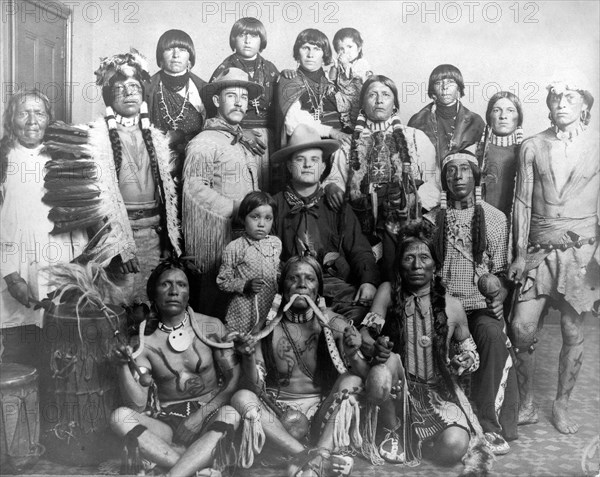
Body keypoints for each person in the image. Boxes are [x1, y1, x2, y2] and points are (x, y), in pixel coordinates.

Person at [359, 221, 493, 474]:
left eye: (424, 257)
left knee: (454, 448)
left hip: (437, 395)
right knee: (384, 367)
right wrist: (376, 346)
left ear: (436, 264)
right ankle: (393, 431)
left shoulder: (452, 305)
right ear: (400, 263)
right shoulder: (388, 292)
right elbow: (366, 332)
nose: (417, 265)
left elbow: (471, 354)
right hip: (398, 388)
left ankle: (420, 441)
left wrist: (463, 360)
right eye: (409, 258)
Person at [508, 77, 598, 435]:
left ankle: (561, 404)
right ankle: (526, 402)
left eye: (570, 97)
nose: (562, 103)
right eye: (556, 97)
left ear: (584, 106)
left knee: (572, 329)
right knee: (521, 327)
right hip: (539, 250)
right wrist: (518, 254)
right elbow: (522, 202)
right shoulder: (532, 145)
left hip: (582, 251)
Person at [229, 255, 367, 476]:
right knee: (241, 397)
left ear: (318, 290)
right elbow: (255, 387)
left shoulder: (336, 325)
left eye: (309, 279)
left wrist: (354, 355)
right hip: (277, 416)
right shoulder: (265, 328)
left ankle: (320, 450)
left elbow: (365, 378)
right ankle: (313, 457)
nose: (302, 284)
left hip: (322, 414)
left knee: (353, 381)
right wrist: (246, 358)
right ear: (283, 288)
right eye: (294, 278)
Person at [110, 258, 241, 477]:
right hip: (167, 423)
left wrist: (199, 416)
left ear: (189, 293)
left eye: (181, 284)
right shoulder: (143, 340)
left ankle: (173, 473)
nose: (173, 291)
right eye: (165, 284)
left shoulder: (211, 326)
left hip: (209, 414)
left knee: (231, 414)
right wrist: (124, 366)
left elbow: (233, 379)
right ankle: (193, 464)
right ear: (154, 293)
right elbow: (139, 405)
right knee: (119, 417)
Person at [426, 150, 518, 454]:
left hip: (478, 307)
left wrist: (500, 293)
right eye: (451, 171)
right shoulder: (431, 219)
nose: (458, 177)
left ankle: (489, 425)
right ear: (444, 179)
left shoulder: (494, 218)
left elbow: (501, 273)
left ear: (475, 176)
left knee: (492, 335)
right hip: (441, 306)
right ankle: (432, 421)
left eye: (465, 170)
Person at [323, 75, 440, 281]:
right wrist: (331, 187)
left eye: (386, 95)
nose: (379, 100)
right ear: (362, 104)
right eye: (372, 94)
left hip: (406, 226)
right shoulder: (349, 143)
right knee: (365, 281)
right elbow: (335, 179)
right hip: (361, 229)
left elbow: (435, 183)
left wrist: (412, 200)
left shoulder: (415, 137)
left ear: (394, 104)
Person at [0, 90, 86, 365]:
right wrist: (11, 277)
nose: (31, 120)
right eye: (23, 113)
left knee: (60, 350)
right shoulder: (3, 158)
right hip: (15, 269)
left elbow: (78, 218)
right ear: (11, 119)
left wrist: (79, 269)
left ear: (49, 119)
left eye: (39, 113)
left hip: (58, 266)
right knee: (19, 352)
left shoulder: (63, 157)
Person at [91, 50, 181, 306]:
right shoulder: (96, 140)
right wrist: (116, 245)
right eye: (121, 87)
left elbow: (168, 197)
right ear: (109, 94)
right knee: (117, 305)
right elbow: (95, 202)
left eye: (134, 86)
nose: (129, 93)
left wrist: (166, 240)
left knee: (150, 305)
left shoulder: (157, 139)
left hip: (153, 233)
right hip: (118, 235)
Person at [270, 124, 380, 324]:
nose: (307, 165)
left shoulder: (336, 205)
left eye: (314, 160)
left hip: (334, 287)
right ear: (288, 166)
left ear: (322, 167)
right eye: (300, 160)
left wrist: (368, 281)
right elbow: (267, 257)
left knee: (358, 319)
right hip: (291, 287)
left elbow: (359, 248)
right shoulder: (274, 206)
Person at [183, 67, 263, 317]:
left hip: (245, 240)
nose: (239, 102)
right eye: (232, 96)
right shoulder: (204, 142)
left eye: (244, 97)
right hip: (217, 240)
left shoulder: (244, 142)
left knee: (243, 308)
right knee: (215, 307)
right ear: (217, 101)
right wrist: (238, 209)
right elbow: (194, 190)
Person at [275, 28, 350, 192]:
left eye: (317, 49)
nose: (310, 54)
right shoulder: (289, 81)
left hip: (339, 149)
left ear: (324, 54)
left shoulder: (333, 81)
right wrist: (331, 131)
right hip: (307, 150)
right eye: (305, 48)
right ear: (297, 53)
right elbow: (292, 121)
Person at [209, 17, 280, 191]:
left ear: (261, 40)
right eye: (242, 35)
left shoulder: (270, 68)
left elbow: (281, 108)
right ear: (234, 39)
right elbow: (213, 112)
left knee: (270, 188)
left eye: (254, 36)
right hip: (237, 135)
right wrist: (239, 131)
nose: (248, 41)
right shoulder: (223, 69)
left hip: (269, 139)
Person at [216, 191, 282, 334]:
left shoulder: (275, 244)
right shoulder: (235, 247)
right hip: (243, 310)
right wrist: (245, 285)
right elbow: (222, 281)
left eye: (268, 218)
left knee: (266, 341)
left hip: (270, 306)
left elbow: (276, 270)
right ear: (243, 218)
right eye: (255, 217)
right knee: (241, 343)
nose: (261, 224)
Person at [146, 29, 207, 182]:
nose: (176, 55)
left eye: (182, 49)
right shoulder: (146, 89)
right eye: (169, 49)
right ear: (160, 58)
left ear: (190, 59)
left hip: (195, 162)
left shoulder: (204, 90)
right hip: (156, 164)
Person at [408, 64, 485, 166]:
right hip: (428, 179)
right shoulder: (417, 121)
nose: (445, 87)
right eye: (438, 83)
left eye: (450, 82)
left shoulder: (475, 121)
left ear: (458, 87)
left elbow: (481, 162)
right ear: (432, 89)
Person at [477, 91, 525, 217]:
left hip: (515, 221)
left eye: (510, 110)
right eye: (497, 110)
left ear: (519, 117)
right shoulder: (475, 152)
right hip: (482, 220)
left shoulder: (527, 152)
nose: (503, 116)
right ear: (489, 116)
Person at [328, 27, 373, 130]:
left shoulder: (362, 63)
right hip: (344, 96)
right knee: (343, 112)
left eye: (349, 47)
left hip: (358, 96)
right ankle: (347, 127)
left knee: (359, 116)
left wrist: (345, 64)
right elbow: (331, 79)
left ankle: (359, 128)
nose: (345, 52)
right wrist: (334, 67)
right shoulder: (340, 64)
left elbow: (353, 75)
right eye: (341, 49)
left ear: (359, 48)